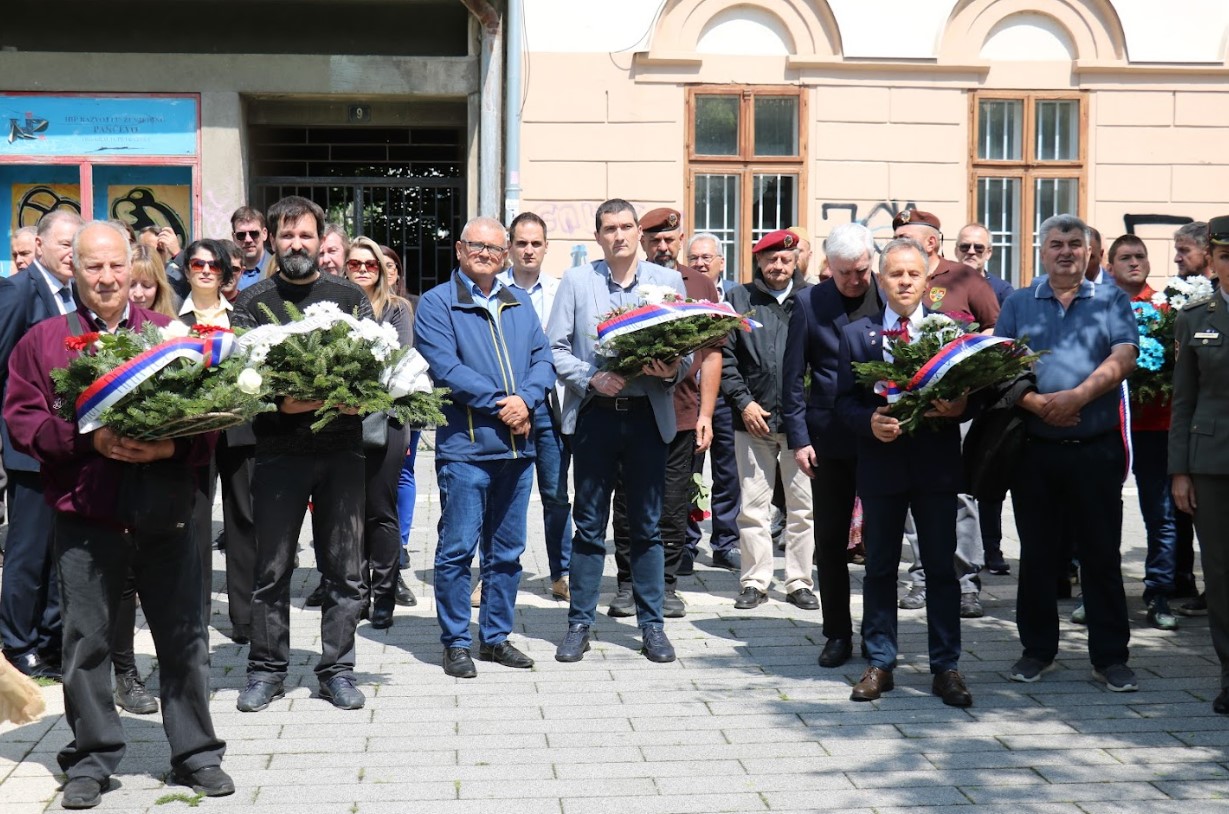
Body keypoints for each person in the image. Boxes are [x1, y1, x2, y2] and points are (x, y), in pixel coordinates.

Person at [4, 220, 232, 808]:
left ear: (133, 268)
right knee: (86, 643)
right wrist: (87, 439)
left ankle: (196, 753)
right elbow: (23, 421)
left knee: (183, 638)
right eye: (93, 267)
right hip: (87, 516)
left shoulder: (171, 337)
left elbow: (210, 426)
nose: (106, 278)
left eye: (115, 265)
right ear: (73, 270)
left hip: (166, 513)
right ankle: (92, 757)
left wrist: (169, 448)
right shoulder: (43, 342)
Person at [231, 195, 373, 712]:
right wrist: (280, 402)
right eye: (287, 235)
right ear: (271, 240)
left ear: (321, 240)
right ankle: (267, 670)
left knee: (345, 570)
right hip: (277, 455)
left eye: (306, 235)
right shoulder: (253, 303)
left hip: (342, 453)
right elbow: (239, 383)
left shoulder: (349, 297)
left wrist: (358, 397)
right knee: (272, 570)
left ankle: (337, 669)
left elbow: (376, 368)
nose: (297, 244)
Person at [995, 214, 1139, 692]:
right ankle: (1037, 651)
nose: (1066, 252)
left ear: (1089, 252)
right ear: (1042, 251)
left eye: (1075, 244)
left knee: (1101, 556)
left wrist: (1076, 397)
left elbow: (1124, 357)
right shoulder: (1018, 303)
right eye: (1056, 243)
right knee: (1037, 556)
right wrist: (1039, 404)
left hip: (1096, 450)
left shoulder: (1112, 300)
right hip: (1035, 451)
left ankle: (1111, 658)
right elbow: (999, 368)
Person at [547, 198, 689, 664]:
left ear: (638, 233)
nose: (620, 235)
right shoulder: (577, 281)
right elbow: (555, 348)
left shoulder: (666, 282)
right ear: (598, 236)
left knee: (647, 525)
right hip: (597, 416)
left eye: (627, 227)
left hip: (648, 415)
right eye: (610, 228)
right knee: (589, 525)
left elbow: (687, 350)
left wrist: (671, 367)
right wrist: (591, 376)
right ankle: (579, 624)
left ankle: (652, 626)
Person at [835, 237, 973, 707]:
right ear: (880, 279)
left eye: (914, 274)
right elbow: (842, 402)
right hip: (882, 467)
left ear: (927, 279)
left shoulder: (948, 331)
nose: (906, 282)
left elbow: (971, 394)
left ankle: (946, 667)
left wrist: (959, 405)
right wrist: (868, 422)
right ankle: (880, 662)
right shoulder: (858, 335)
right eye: (896, 274)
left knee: (940, 568)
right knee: (879, 568)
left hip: (936, 468)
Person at [416, 216, 555, 677]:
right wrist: (504, 404)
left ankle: (495, 637)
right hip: (468, 449)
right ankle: (456, 641)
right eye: (477, 246)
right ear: (459, 249)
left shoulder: (518, 301)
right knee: (457, 550)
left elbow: (543, 358)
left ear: (505, 255)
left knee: (507, 553)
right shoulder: (438, 303)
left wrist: (526, 400)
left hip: (517, 450)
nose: (485, 254)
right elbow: (446, 369)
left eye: (495, 249)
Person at [609, 208, 721, 618]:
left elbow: (712, 353)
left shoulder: (700, 284)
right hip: (635, 410)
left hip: (684, 413)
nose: (662, 246)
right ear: (642, 240)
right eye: (654, 239)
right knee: (628, 501)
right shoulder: (631, 281)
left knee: (674, 503)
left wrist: (706, 414)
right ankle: (627, 584)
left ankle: (666, 584)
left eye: (669, 239)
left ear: (680, 239)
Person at [784, 222, 883, 667]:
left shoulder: (888, 297)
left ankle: (878, 633)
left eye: (861, 271)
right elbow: (792, 379)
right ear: (829, 266)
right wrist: (799, 439)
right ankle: (837, 633)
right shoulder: (810, 302)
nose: (855, 281)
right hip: (828, 439)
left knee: (880, 543)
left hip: (881, 433)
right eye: (845, 273)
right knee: (829, 540)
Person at [892, 210, 995, 613]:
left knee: (960, 494)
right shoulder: (895, 278)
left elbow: (994, 330)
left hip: (957, 408)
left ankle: (966, 582)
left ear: (932, 242)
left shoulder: (964, 278)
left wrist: (966, 371)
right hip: (909, 407)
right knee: (911, 493)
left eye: (904, 234)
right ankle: (921, 578)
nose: (896, 240)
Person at [0, 209, 83, 683]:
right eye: (65, 244)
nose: (71, 254)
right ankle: (17, 644)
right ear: (40, 245)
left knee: (57, 550)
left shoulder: (74, 294)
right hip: (28, 448)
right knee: (28, 552)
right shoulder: (17, 291)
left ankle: (50, 639)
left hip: (66, 447)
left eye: (77, 245)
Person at [721, 228, 817, 611]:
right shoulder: (739, 299)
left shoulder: (812, 299)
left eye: (785, 259)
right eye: (771, 259)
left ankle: (799, 582)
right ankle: (755, 581)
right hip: (752, 420)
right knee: (752, 508)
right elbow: (725, 359)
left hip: (801, 425)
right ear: (758, 260)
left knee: (802, 508)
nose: (778, 265)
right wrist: (743, 403)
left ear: (796, 261)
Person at [1169, 213, 1229, 714]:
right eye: (1226, 257)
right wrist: (1180, 471)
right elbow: (1183, 401)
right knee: (1221, 574)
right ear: (1211, 260)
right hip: (1211, 462)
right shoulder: (1194, 317)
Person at [1106, 234, 1179, 630]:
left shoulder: (1166, 308)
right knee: (1099, 511)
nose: (1134, 262)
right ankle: (1097, 591)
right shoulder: (1099, 307)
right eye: (1125, 257)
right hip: (1111, 424)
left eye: (1140, 256)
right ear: (1110, 265)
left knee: (1160, 513)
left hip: (1156, 426)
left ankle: (1159, 593)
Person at [498, 211, 572, 601]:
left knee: (556, 495)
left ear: (546, 248)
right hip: (507, 408)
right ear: (509, 247)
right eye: (521, 243)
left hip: (551, 407)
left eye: (536, 243)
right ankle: (495, 573)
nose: (528, 250)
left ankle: (562, 573)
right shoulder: (494, 289)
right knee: (502, 494)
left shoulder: (562, 290)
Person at [344, 235, 416, 627]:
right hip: (341, 420)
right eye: (354, 264)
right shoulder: (335, 307)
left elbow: (396, 360)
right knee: (349, 512)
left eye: (369, 264)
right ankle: (356, 595)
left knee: (381, 509)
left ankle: (384, 594)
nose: (362, 270)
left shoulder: (396, 308)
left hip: (386, 419)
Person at [682, 232, 740, 571]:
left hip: (727, 398)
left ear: (721, 261)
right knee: (690, 471)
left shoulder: (737, 296)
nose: (701, 263)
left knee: (728, 472)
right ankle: (687, 542)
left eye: (707, 257)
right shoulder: (681, 293)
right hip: (691, 395)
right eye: (694, 258)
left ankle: (726, 542)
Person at [1171, 221, 1211, 617]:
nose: (1177, 258)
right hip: (1208, 446)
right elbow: (1184, 396)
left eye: (1185, 250)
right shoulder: (1190, 312)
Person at [955, 223, 1013, 306]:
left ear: (988, 253)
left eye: (978, 247)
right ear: (956, 251)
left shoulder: (1002, 291)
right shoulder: (941, 285)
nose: (971, 251)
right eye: (965, 246)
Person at [231, 206, 275, 291]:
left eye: (254, 233)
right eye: (241, 235)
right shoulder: (225, 272)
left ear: (264, 234)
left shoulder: (278, 269)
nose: (248, 240)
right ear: (234, 237)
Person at [128, 244, 178, 318]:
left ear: (159, 287)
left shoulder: (170, 324)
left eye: (147, 285)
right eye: (131, 285)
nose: (138, 294)